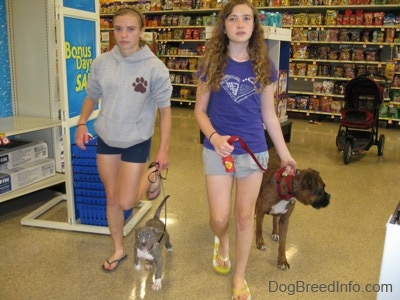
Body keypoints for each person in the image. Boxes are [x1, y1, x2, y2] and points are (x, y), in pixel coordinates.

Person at [194, 0, 297, 299]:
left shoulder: (264, 65)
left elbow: (269, 115)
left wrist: (286, 154)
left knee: (244, 217)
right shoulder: (210, 63)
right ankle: (221, 240)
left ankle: (239, 277)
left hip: (254, 151)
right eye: (233, 19)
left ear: (254, 26)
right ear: (224, 26)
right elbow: (199, 112)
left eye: (247, 19)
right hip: (217, 150)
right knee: (219, 218)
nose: (240, 24)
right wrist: (213, 137)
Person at [74, 7, 172, 272]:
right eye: (118, 29)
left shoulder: (154, 68)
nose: (124, 35)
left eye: (130, 29)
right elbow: (91, 96)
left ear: (142, 31)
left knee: (126, 201)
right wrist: (82, 123)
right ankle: (118, 249)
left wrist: (162, 151)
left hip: (136, 140)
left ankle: (151, 174)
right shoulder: (102, 63)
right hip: (107, 138)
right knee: (111, 197)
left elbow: (165, 112)